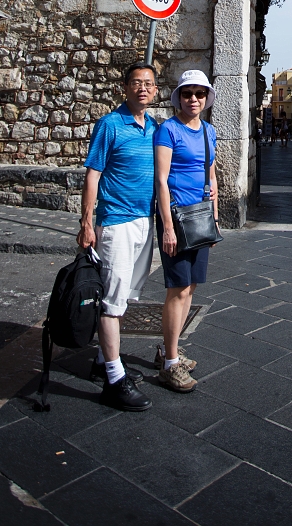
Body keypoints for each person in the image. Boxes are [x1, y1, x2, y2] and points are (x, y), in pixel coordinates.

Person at [78, 61, 159, 412]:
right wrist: (86, 222)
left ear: (156, 91)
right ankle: (114, 378)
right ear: (124, 88)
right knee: (112, 301)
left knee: (124, 295)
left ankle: (100, 360)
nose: (143, 88)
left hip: (145, 221)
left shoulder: (155, 127)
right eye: (136, 83)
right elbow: (93, 175)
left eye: (149, 84)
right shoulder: (109, 124)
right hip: (115, 222)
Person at [155, 70, 219, 393]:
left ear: (206, 98)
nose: (193, 99)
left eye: (199, 93)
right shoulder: (168, 130)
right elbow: (161, 180)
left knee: (191, 288)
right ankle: (169, 364)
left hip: (200, 219)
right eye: (187, 93)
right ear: (178, 97)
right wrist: (167, 226)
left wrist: (216, 218)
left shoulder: (209, 132)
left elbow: (211, 175)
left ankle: (171, 348)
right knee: (177, 289)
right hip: (177, 219)